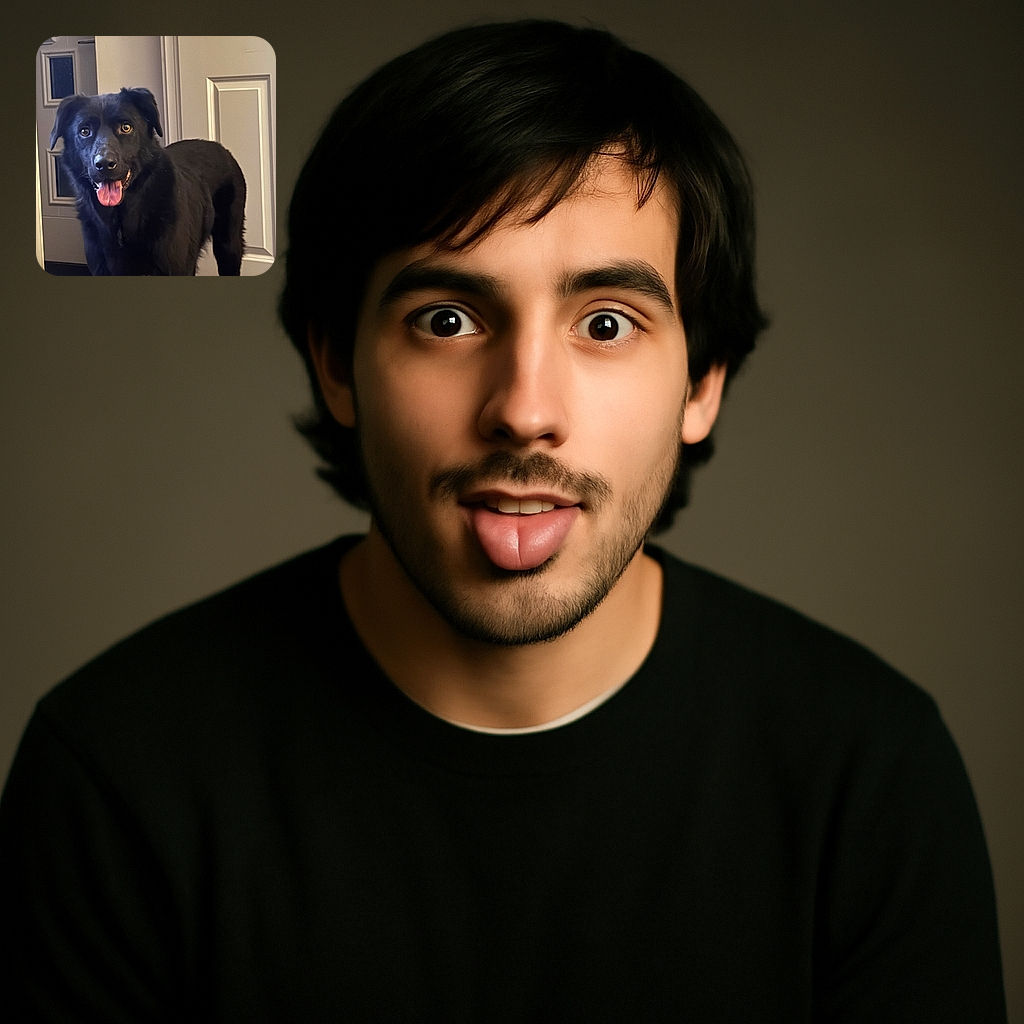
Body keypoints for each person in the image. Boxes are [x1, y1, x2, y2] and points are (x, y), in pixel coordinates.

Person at [0, 20, 1006, 1022]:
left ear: (702, 381)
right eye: (447, 318)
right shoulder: (118, 773)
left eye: (606, 323)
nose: (524, 408)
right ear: (337, 364)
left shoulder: (866, 774)